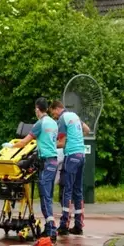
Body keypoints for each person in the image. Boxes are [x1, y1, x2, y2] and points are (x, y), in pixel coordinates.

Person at [5, 97, 59, 240]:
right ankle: (49, 228)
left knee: (44, 196)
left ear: (37, 109)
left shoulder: (40, 124)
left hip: (46, 162)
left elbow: (24, 142)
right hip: (54, 162)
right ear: (47, 108)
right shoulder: (53, 123)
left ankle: (52, 231)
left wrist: (11, 146)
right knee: (49, 196)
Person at [50, 100, 90, 236]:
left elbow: (61, 143)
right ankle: (78, 225)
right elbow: (87, 130)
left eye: (53, 113)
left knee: (67, 190)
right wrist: (77, 138)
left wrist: (48, 145)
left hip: (71, 156)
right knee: (78, 190)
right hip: (81, 155)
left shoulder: (62, 119)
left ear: (56, 109)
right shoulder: (74, 116)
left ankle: (64, 225)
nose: (54, 116)